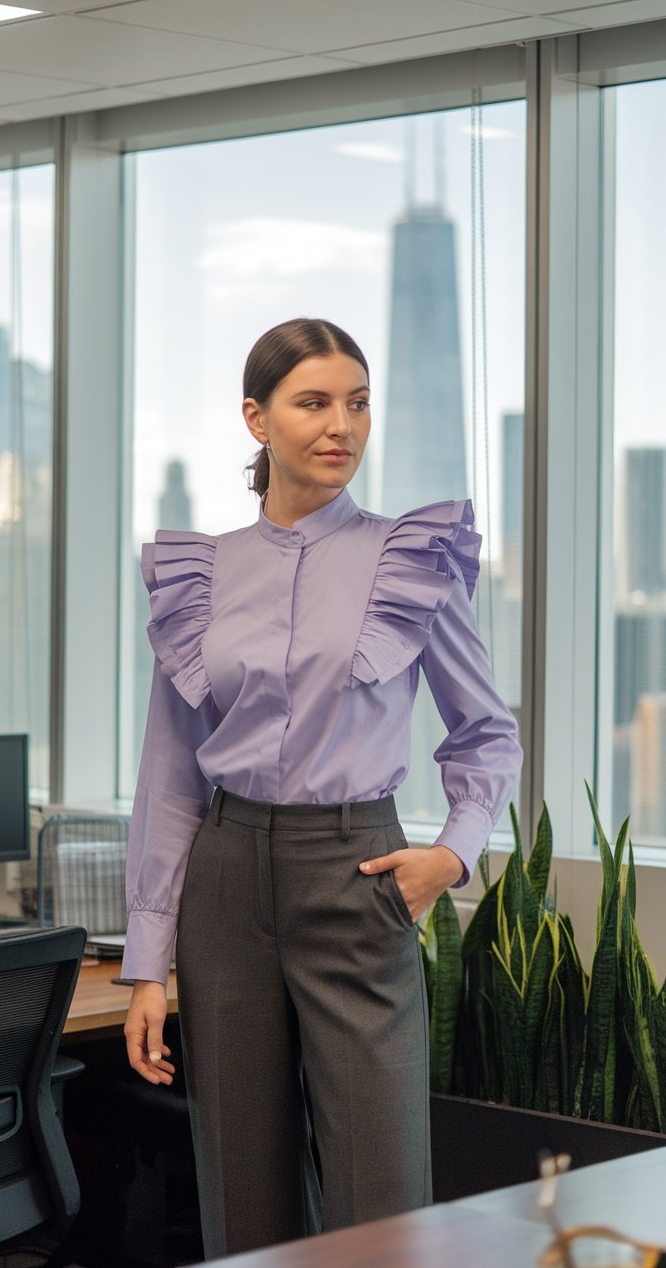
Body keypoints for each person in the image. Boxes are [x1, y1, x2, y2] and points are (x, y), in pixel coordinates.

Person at [121, 317, 524, 1260]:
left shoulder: (408, 559)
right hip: (226, 881)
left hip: (357, 870)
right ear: (258, 420)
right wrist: (148, 962)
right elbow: (171, 774)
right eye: (314, 403)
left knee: (378, 1197)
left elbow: (486, 733)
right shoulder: (203, 573)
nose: (341, 424)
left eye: (357, 402)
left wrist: (450, 855)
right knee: (240, 1191)